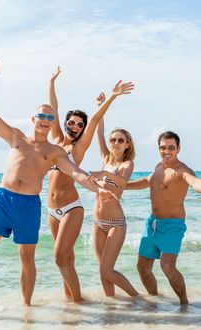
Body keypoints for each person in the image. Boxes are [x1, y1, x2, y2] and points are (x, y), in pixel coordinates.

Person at [0, 60, 114, 317]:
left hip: (29, 205)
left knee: (27, 257)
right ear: (34, 119)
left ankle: (27, 307)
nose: (44, 120)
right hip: (3, 200)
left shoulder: (55, 152)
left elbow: (74, 171)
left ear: (52, 122)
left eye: (49, 117)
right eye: (41, 116)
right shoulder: (16, 137)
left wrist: (97, 188)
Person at [47, 66, 134, 302]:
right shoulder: (55, 141)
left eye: (79, 125)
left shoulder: (79, 147)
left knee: (59, 257)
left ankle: (78, 303)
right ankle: (70, 302)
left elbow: (96, 120)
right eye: (72, 122)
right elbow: (53, 108)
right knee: (65, 259)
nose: (74, 127)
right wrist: (52, 82)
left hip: (70, 206)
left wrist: (112, 97)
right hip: (51, 210)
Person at [126, 131, 201, 305]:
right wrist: (123, 186)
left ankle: (184, 303)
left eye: (171, 148)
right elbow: (147, 181)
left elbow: (196, 183)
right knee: (142, 267)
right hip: (153, 223)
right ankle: (154, 300)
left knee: (167, 266)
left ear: (178, 148)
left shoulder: (182, 171)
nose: (167, 151)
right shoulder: (159, 167)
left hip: (173, 225)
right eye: (163, 148)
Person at [88, 111, 139, 297]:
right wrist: (100, 106)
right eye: (113, 140)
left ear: (127, 144)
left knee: (107, 270)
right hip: (97, 221)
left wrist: (103, 175)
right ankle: (111, 304)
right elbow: (98, 132)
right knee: (102, 269)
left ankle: (136, 298)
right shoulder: (105, 159)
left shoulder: (127, 164)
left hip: (115, 224)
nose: (115, 143)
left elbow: (122, 183)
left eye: (120, 140)